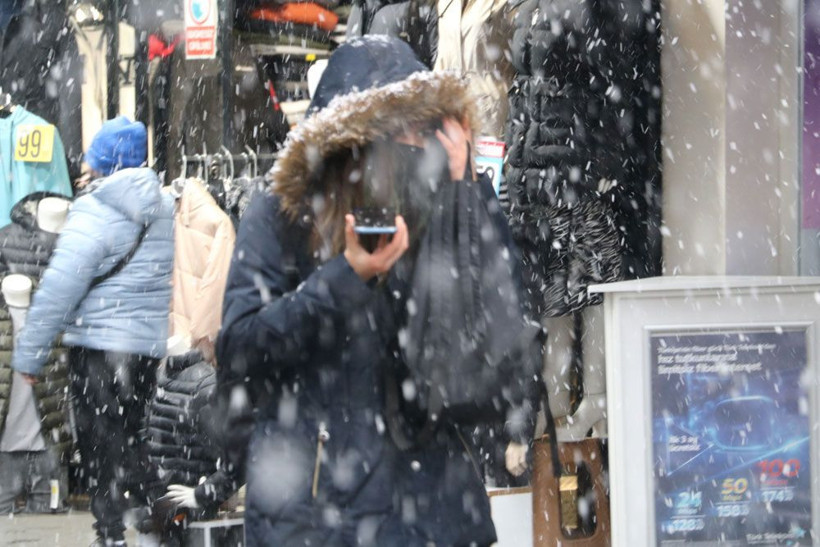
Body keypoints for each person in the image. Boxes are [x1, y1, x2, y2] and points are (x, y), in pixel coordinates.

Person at [218, 35, 532, 547]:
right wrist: (346, 276)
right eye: (397, 128)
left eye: (422, 126)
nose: (411, 143)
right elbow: (241, 348)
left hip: (432, 508)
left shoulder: (446, 204)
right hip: (319, 511)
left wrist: (467, 192)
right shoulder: (285, 217)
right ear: (349, 137)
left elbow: (503, 341)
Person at [11, 116, 175, 547]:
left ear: (102, 160)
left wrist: (30, 354)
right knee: (134, 436)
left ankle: (119, 528)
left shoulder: (95, 210)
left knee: (100, 444)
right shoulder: (163, 208)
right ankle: (154, 518)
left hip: (98, 349)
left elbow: (59, 288)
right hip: (143, 347)